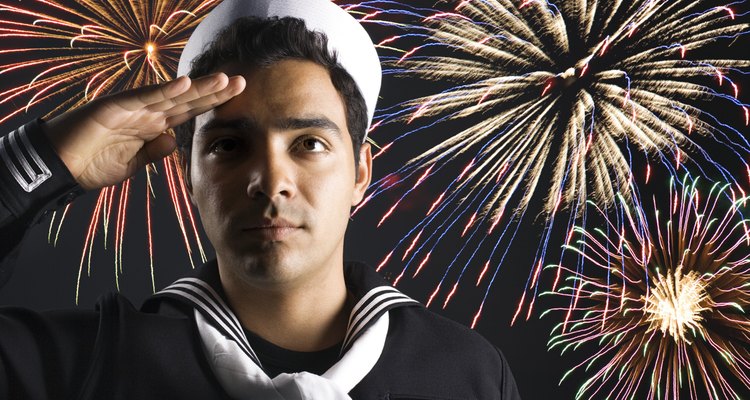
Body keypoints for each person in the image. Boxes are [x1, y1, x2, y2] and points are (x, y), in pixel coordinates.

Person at [0, 0, 522, 399]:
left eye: (309, 144)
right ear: (187, 174)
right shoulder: (88, 364)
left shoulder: (469, 375)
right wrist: (35, 161)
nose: (271, 181)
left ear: (361, 172)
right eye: (229, 146)